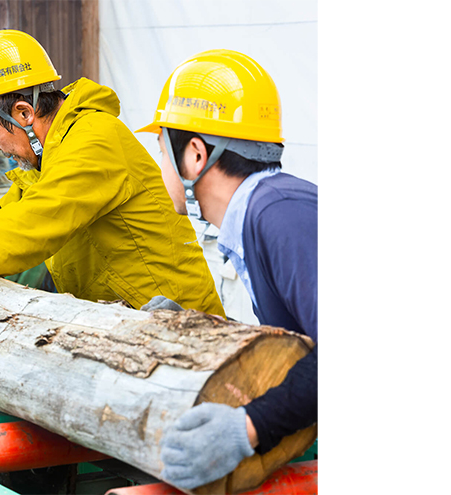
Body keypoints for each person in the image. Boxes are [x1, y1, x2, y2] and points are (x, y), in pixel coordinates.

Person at [0, 30, 225, 361]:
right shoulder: (53, 156)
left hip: (188, 335)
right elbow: (3, 219)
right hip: (134, 331)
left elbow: (33, 225)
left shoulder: (94, 140)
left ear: (23, 113)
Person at [136, 49, 317, 489]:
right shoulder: (259, 214)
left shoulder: (279, 216)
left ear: (195, 155)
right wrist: (201, 330)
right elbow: (300, 340)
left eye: (162, 152)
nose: (160, 170)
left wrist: (249, 427)